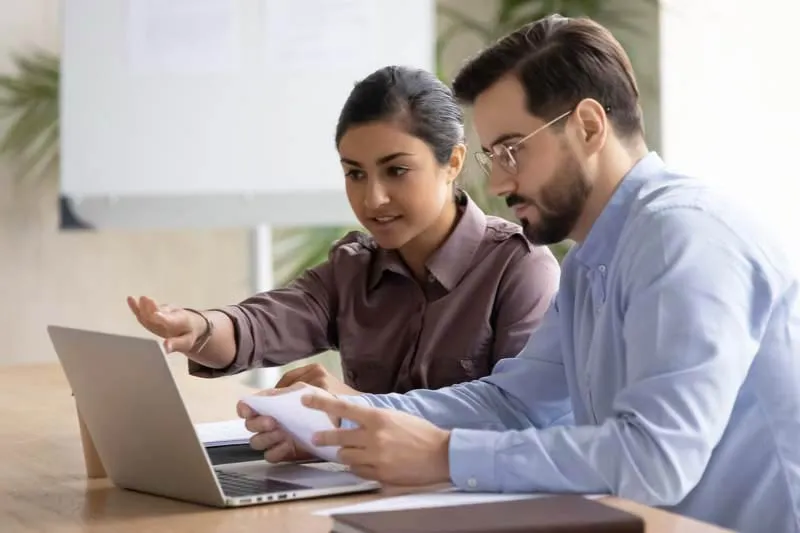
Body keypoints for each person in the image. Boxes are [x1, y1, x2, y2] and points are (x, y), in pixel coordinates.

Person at [238, 15, 800, 533]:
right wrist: (346, 422)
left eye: (511, 150)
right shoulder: (591, 258)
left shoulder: (685, 237)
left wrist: (445, 454)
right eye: (491, 157)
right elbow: (515, 403)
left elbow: (655, 461)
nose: (499, 184)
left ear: (586, 126)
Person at [128, 65, 560, 396]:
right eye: (355, 174)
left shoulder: (519, 269)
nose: (373, 199)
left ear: (453, 162)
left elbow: (516, 415)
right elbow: (265, 323)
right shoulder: (353, 266)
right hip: (363, 496)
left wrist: (352, 411)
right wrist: (199, 327)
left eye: (397, 170)